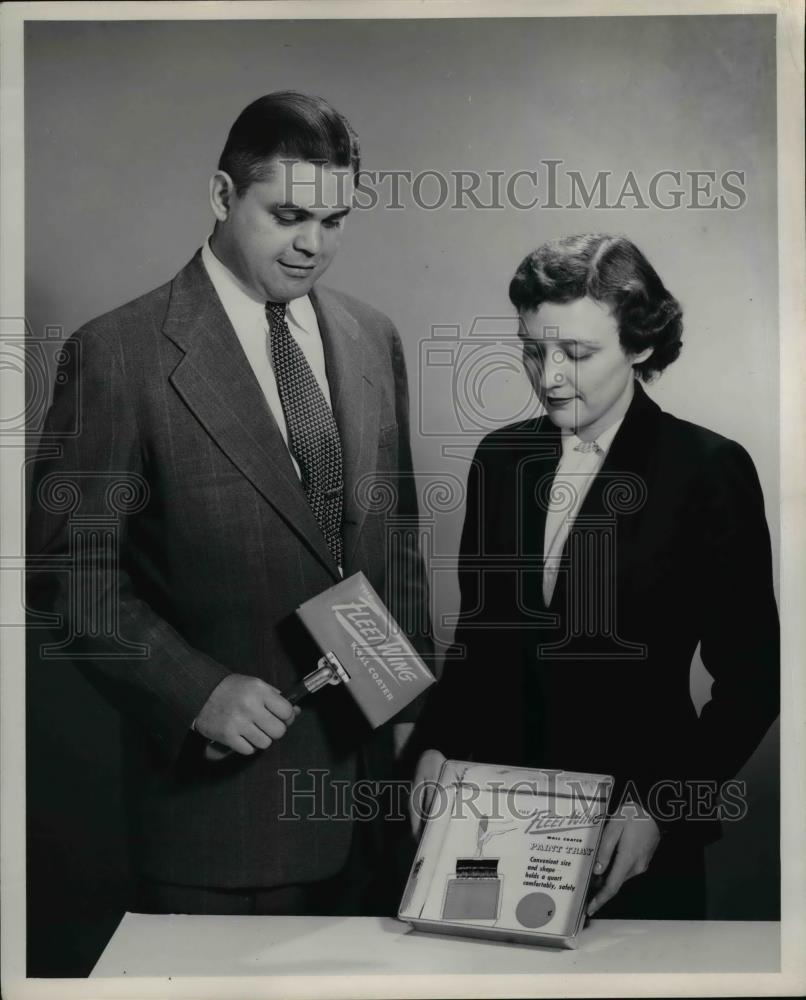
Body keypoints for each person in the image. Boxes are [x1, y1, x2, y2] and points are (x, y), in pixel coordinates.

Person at [26, 91, 429, 916]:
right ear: (220, 197)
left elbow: (398, 544)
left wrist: (413, 714)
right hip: (220, 828)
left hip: (378, 816)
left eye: (336, 220)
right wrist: (193, 690)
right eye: (287, 216)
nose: (313, 245)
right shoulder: (117, 354)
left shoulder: (371, 336)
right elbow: (69, 576)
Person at [411, 234, 779, 919]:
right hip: (494, 825)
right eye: (532, 348)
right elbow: (480, 642)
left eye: (576, 354)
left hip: (630, 835)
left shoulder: (707, 470)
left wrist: (663, 808)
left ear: (640, 345)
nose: (547, 376)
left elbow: (756, 679)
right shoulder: (500, 458)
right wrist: (434, 744)